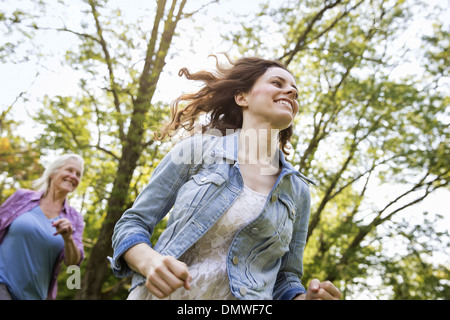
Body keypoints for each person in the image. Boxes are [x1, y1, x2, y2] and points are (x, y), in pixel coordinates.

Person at [110, 55, 341, 300]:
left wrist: (305, 298)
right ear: (242, 97)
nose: (291, 92)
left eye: (294, 90)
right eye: (278, 83)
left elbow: (285, 277)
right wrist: (150, 262)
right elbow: (132, 223)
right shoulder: (197, 152)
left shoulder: (297, 190)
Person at [0, 154, 85, 300]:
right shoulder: (22, 197)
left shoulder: (75, 219)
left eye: (78, 174)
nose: (73, 176)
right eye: (69, 170)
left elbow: (73, 265)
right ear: (53, 172)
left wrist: (68, 238)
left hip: (35, 295)